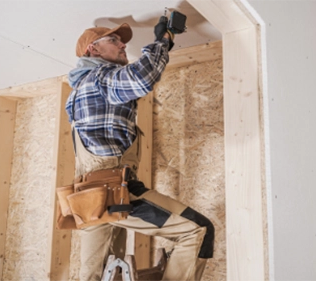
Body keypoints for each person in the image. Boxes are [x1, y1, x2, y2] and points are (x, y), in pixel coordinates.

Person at [65, 20, 214, 281]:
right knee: (197, 230)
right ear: (93, 50)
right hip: (113, 192)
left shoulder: (79, 91)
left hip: (89, 200)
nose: (123, 45)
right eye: (114, 41)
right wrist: (163, 40)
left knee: (96, 276)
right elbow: (141, 77)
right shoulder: (99, 79)